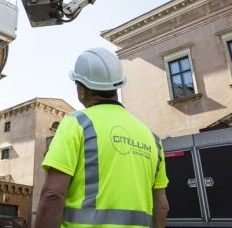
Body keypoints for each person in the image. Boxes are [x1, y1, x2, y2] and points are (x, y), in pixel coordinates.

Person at [36, 47, 169, 228]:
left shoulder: (76, 123)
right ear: (118, 86)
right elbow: (161, 207)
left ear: (82, 89)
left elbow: (53, 194)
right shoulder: (152, 139)